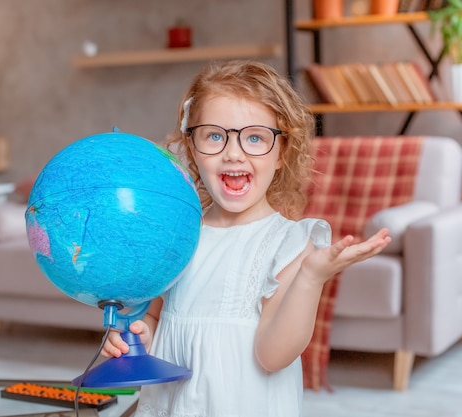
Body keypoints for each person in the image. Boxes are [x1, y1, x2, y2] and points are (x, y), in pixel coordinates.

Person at [102, 60, 391, 416]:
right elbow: (156, 318)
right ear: (192, 147)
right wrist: (137, 337)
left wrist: (311, 277)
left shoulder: (290, 244)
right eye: (214, 135)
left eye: (255, 137)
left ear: (282, 152)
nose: (233, 152)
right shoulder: (178, 234)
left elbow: (273, 356)